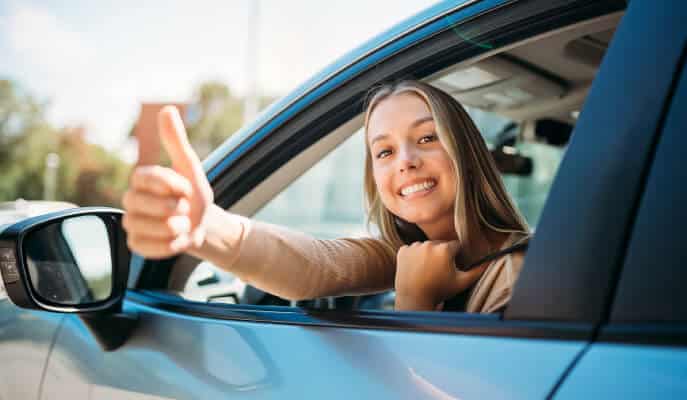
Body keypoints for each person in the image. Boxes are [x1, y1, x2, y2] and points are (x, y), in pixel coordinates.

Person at [122, 80, 530, 313]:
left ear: (468, 153)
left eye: (426, 137)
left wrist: (415, 301)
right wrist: (207, 227)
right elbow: (314, 267)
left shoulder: (518, 274)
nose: (404, 161)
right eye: (384, 152)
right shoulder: (402, 254)